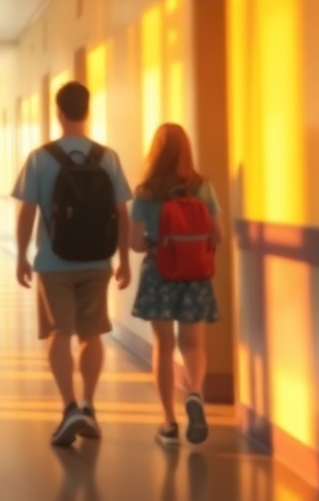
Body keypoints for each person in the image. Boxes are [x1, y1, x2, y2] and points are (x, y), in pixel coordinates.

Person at [13, 81, 132, 447]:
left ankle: (68, 408)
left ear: (59, 113)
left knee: (58, 333)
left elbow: (27, 211)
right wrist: (124, 258)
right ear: (88, 110)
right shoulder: (107, 157)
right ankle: (89, 405)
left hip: (53, 261)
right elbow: (121, 213)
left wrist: (21, 255)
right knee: (92, 334)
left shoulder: (40, 157)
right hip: (99, 260)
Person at [129, 123, 222, 448]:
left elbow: (135, 243)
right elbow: (218, 235)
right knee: (193, 345)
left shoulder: (145, 192)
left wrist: (159, 247)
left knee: (164, 348)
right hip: (196, 276)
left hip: (160, 274)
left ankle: (168, 424)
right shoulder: (202, 187)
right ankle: (194, 393)